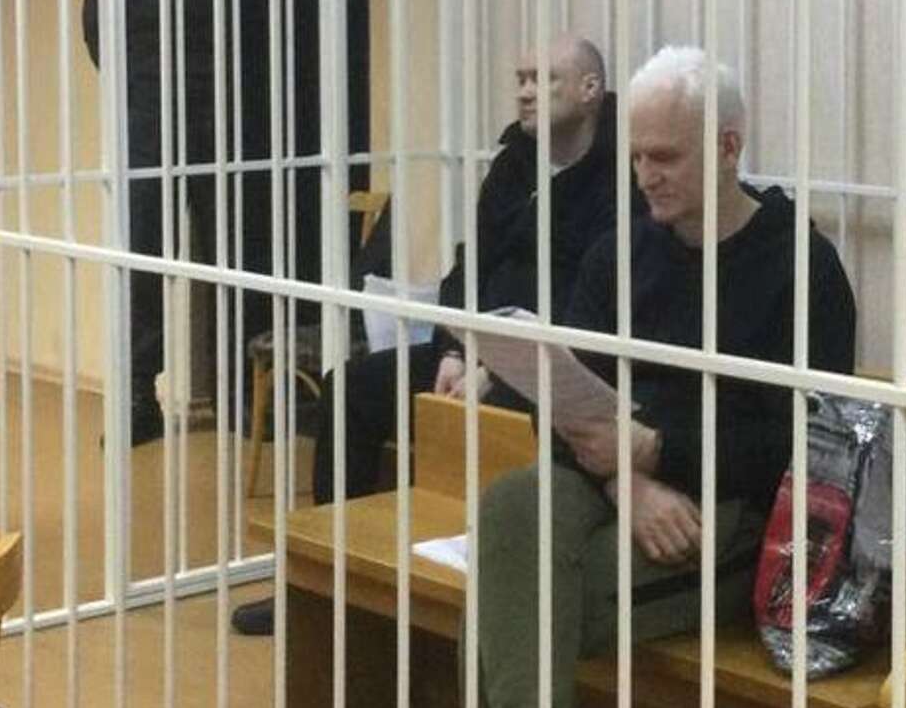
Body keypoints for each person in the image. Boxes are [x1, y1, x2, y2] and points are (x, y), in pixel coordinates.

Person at [445, 46, 858, 708]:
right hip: (619, 483)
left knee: (502, 604)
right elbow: (565, 408)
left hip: (732, 509)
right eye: (635, 156)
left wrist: (661, 447)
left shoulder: (800, 268)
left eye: (665, 157)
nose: (644, 175)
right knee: (509, 506)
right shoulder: (619, 254)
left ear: (730, 146)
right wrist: (630, 482)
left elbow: (807, 444)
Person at [231, 36, 632, 636]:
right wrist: (454, 348)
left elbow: (591, 297)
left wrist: (500, 363)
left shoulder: (622, 174)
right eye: (520, 78)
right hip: (477, 346)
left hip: (563, 365)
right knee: (350, 390)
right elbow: (470, 265)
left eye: (543, 79)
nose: (524, 91)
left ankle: (462, 605)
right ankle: (319, 583)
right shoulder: (514, 163)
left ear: (590, 90)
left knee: (500, 415)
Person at [82, 0, 230, 446]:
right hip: (150, 133)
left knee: (234, 262)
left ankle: (240, 394)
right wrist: (144, 99)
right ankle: (141, 397)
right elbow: (99, 36)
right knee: (142, 265)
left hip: (228, 134)